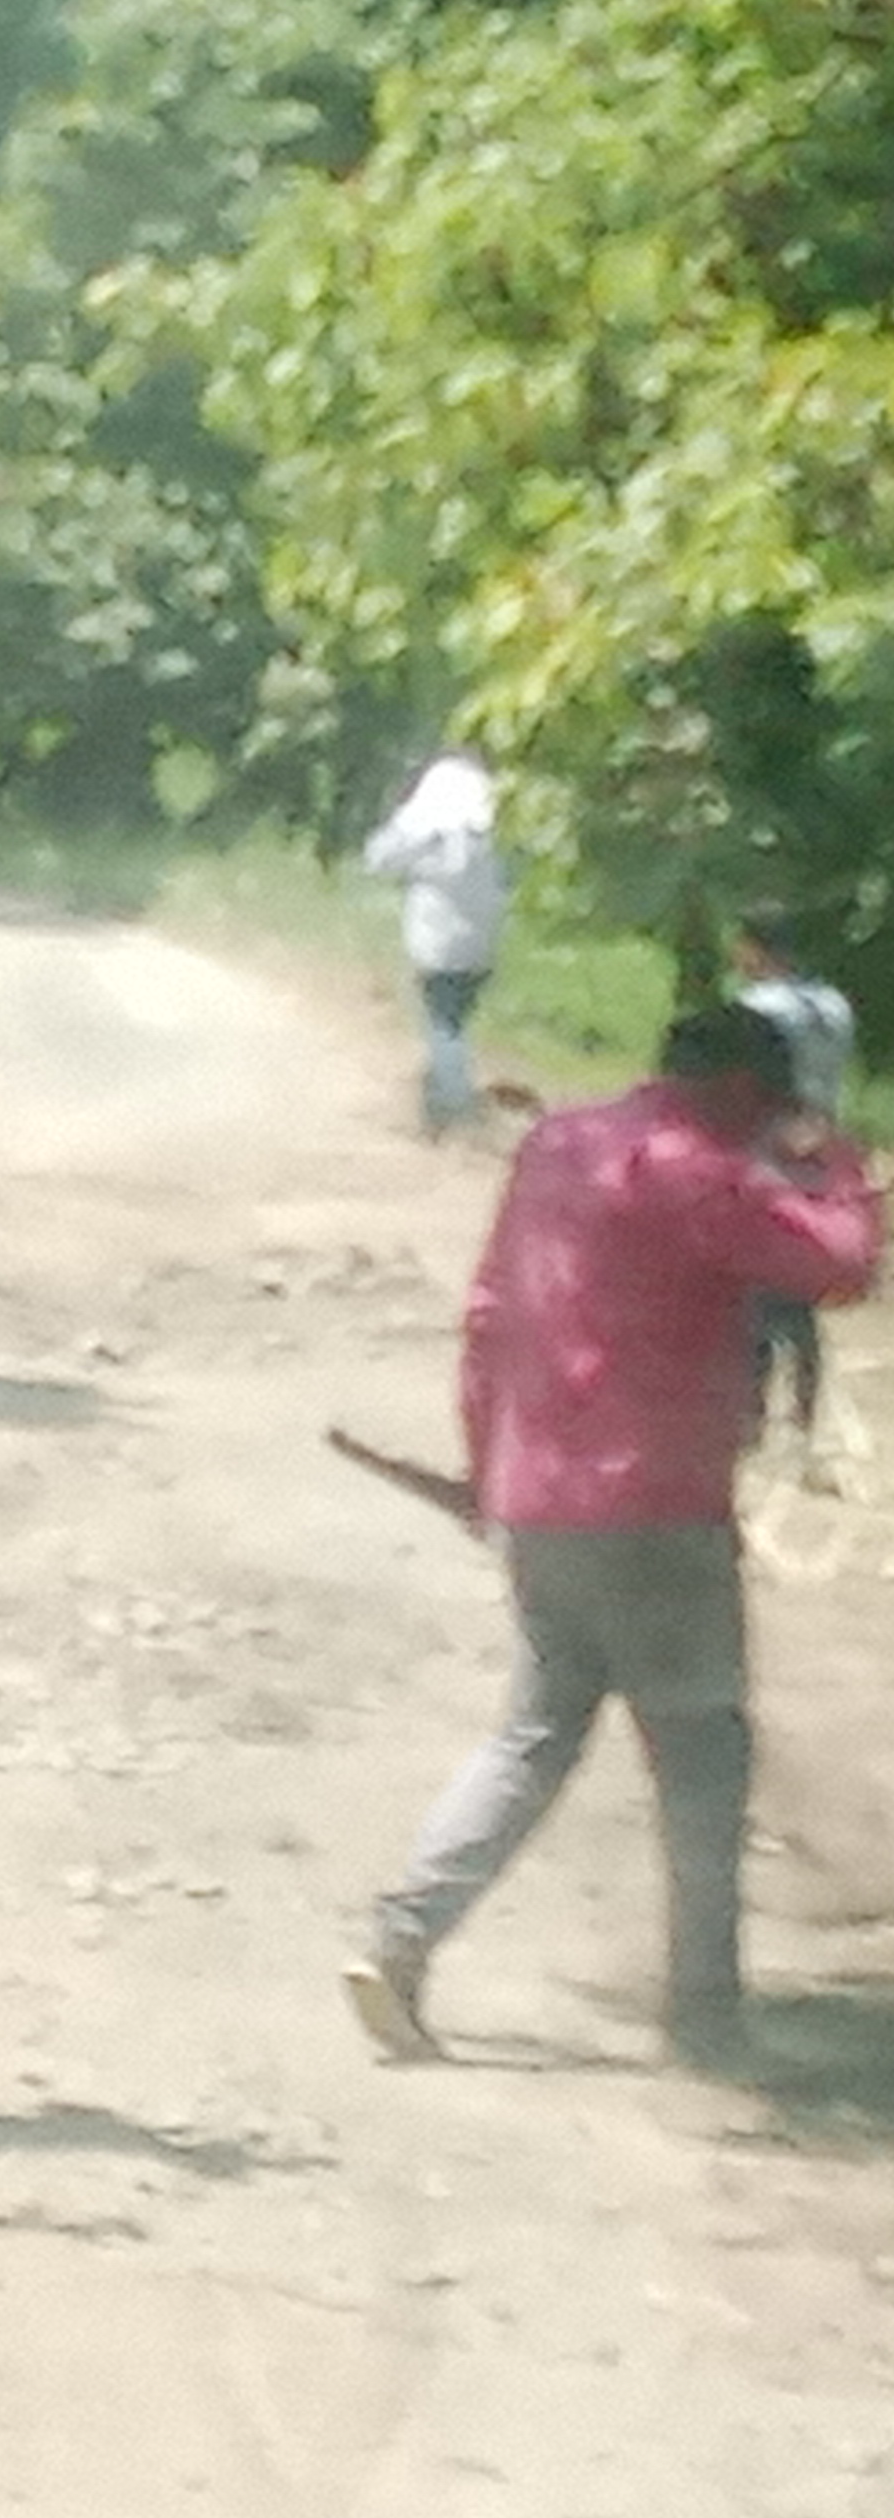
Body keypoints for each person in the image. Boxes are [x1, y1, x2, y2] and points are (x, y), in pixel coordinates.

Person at [343, 1002, 881, 2071]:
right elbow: (840, 1266)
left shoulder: (561, 1145)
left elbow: (489, 1313)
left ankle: (401, 1939)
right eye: (766, 1109)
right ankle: (705, 2018)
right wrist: (839, 1165)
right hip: (655, 1506)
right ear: (743, 1090)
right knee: (702, 1754)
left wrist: (483, 1467)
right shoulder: (695, 1170)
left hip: (537, 1488)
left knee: (535, 1731)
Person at [732, 908, 858, 1436]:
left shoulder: (756, 1007)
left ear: (754, 948)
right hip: (817, 1152)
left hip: (767, 1150)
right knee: (800, 1289)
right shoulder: (834, 1007)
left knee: (755, 1288)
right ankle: (804, 1410)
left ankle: (753, 1410)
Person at [362, 745, 509, 1135]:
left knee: (444, 1022)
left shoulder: (426, 820)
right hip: (483, 938)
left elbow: (379, 857)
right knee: (453, 1017)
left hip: (436, 936)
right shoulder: (494, 826)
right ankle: (436, 1103)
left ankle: (454, 1109)